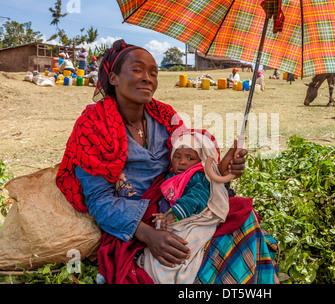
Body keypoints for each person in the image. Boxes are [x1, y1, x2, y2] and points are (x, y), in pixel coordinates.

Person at [56, 39, 279, 284]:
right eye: (137, 70)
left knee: (242, 215)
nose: (147, 78)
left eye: (153, 72)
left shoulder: (165, 117)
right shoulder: (92, 125)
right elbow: (99, 201)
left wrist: (222, 168)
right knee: (182, 263)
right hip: (137, 221)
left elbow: (190, 168)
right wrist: (148, 235)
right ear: (114, 78)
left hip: (176, 205)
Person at [136, 129, 229, 284]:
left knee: (180, 248)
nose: (182, 161)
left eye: (190, 158)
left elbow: (194, 199)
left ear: (201, 161)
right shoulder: (172, 177)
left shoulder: (198, 177)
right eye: (177, 156)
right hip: (173, 218)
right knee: (160, 246)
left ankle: (173, 276)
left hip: (193, 221)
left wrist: (173, 213)